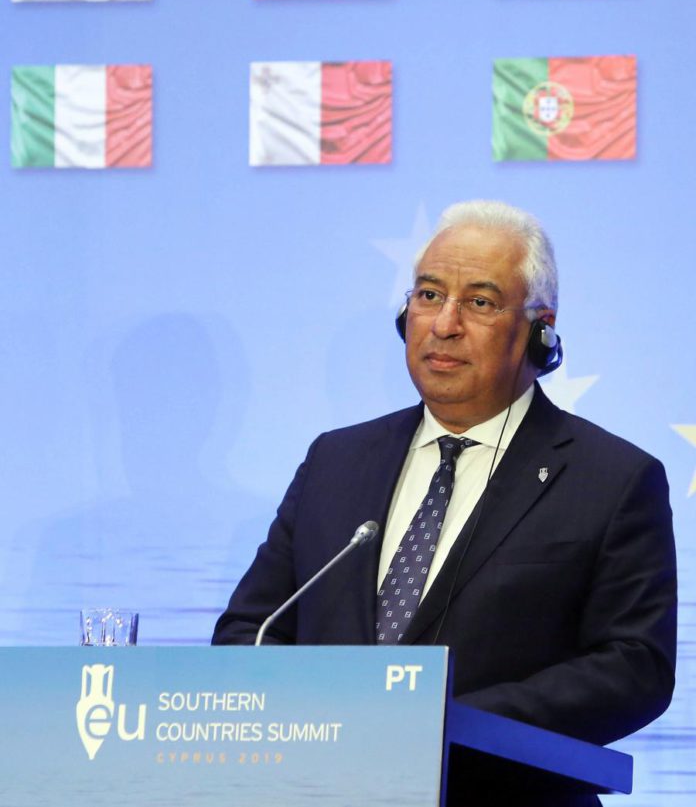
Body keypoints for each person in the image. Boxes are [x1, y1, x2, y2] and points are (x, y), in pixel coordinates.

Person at [212, 200, 677, 806]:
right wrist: (319, 721)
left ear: (539, 330)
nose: (444, 324)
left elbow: (634, 667)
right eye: (429, 295)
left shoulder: (613, 478)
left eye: (480, 303)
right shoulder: (336, 460)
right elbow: (251, 630)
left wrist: (440, 722)